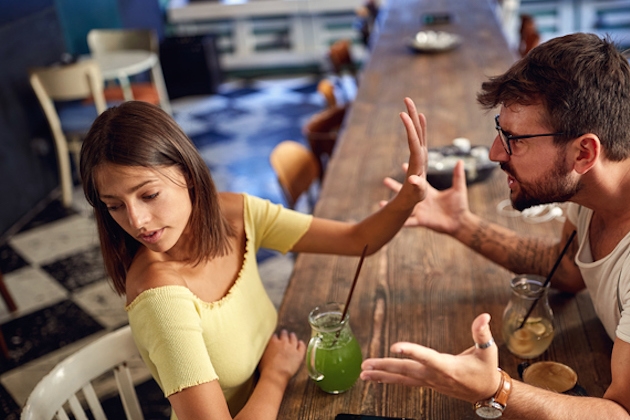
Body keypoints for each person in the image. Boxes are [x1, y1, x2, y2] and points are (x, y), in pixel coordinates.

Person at [360, 33, 630, 419]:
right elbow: (570, 270)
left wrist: (494, 389)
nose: (495, 152)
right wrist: (462, 224)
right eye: (501, 130)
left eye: (514, 139)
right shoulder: (612, 173)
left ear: (584, 153)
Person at [79, 98, 428, 420]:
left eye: (149, 194)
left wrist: (408, 197)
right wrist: (276, 375)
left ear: (186, 172)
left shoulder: (233, 213)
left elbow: (358, 240)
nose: (136, 220)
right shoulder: (160, 297)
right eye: (114, 206)